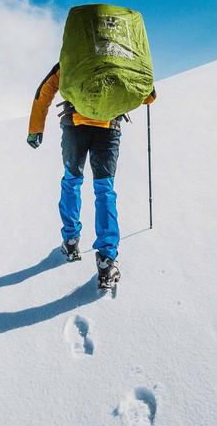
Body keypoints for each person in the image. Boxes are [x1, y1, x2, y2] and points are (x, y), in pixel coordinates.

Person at [27, 62, 156, 288]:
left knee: (72, 182)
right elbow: (147, 95)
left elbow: (45, 89)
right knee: (105, 190)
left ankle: (70, 241)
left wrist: (35, 128)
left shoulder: (75, 54)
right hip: (109, 127)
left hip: (74, 124)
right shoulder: (120, 56)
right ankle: (107, 260)